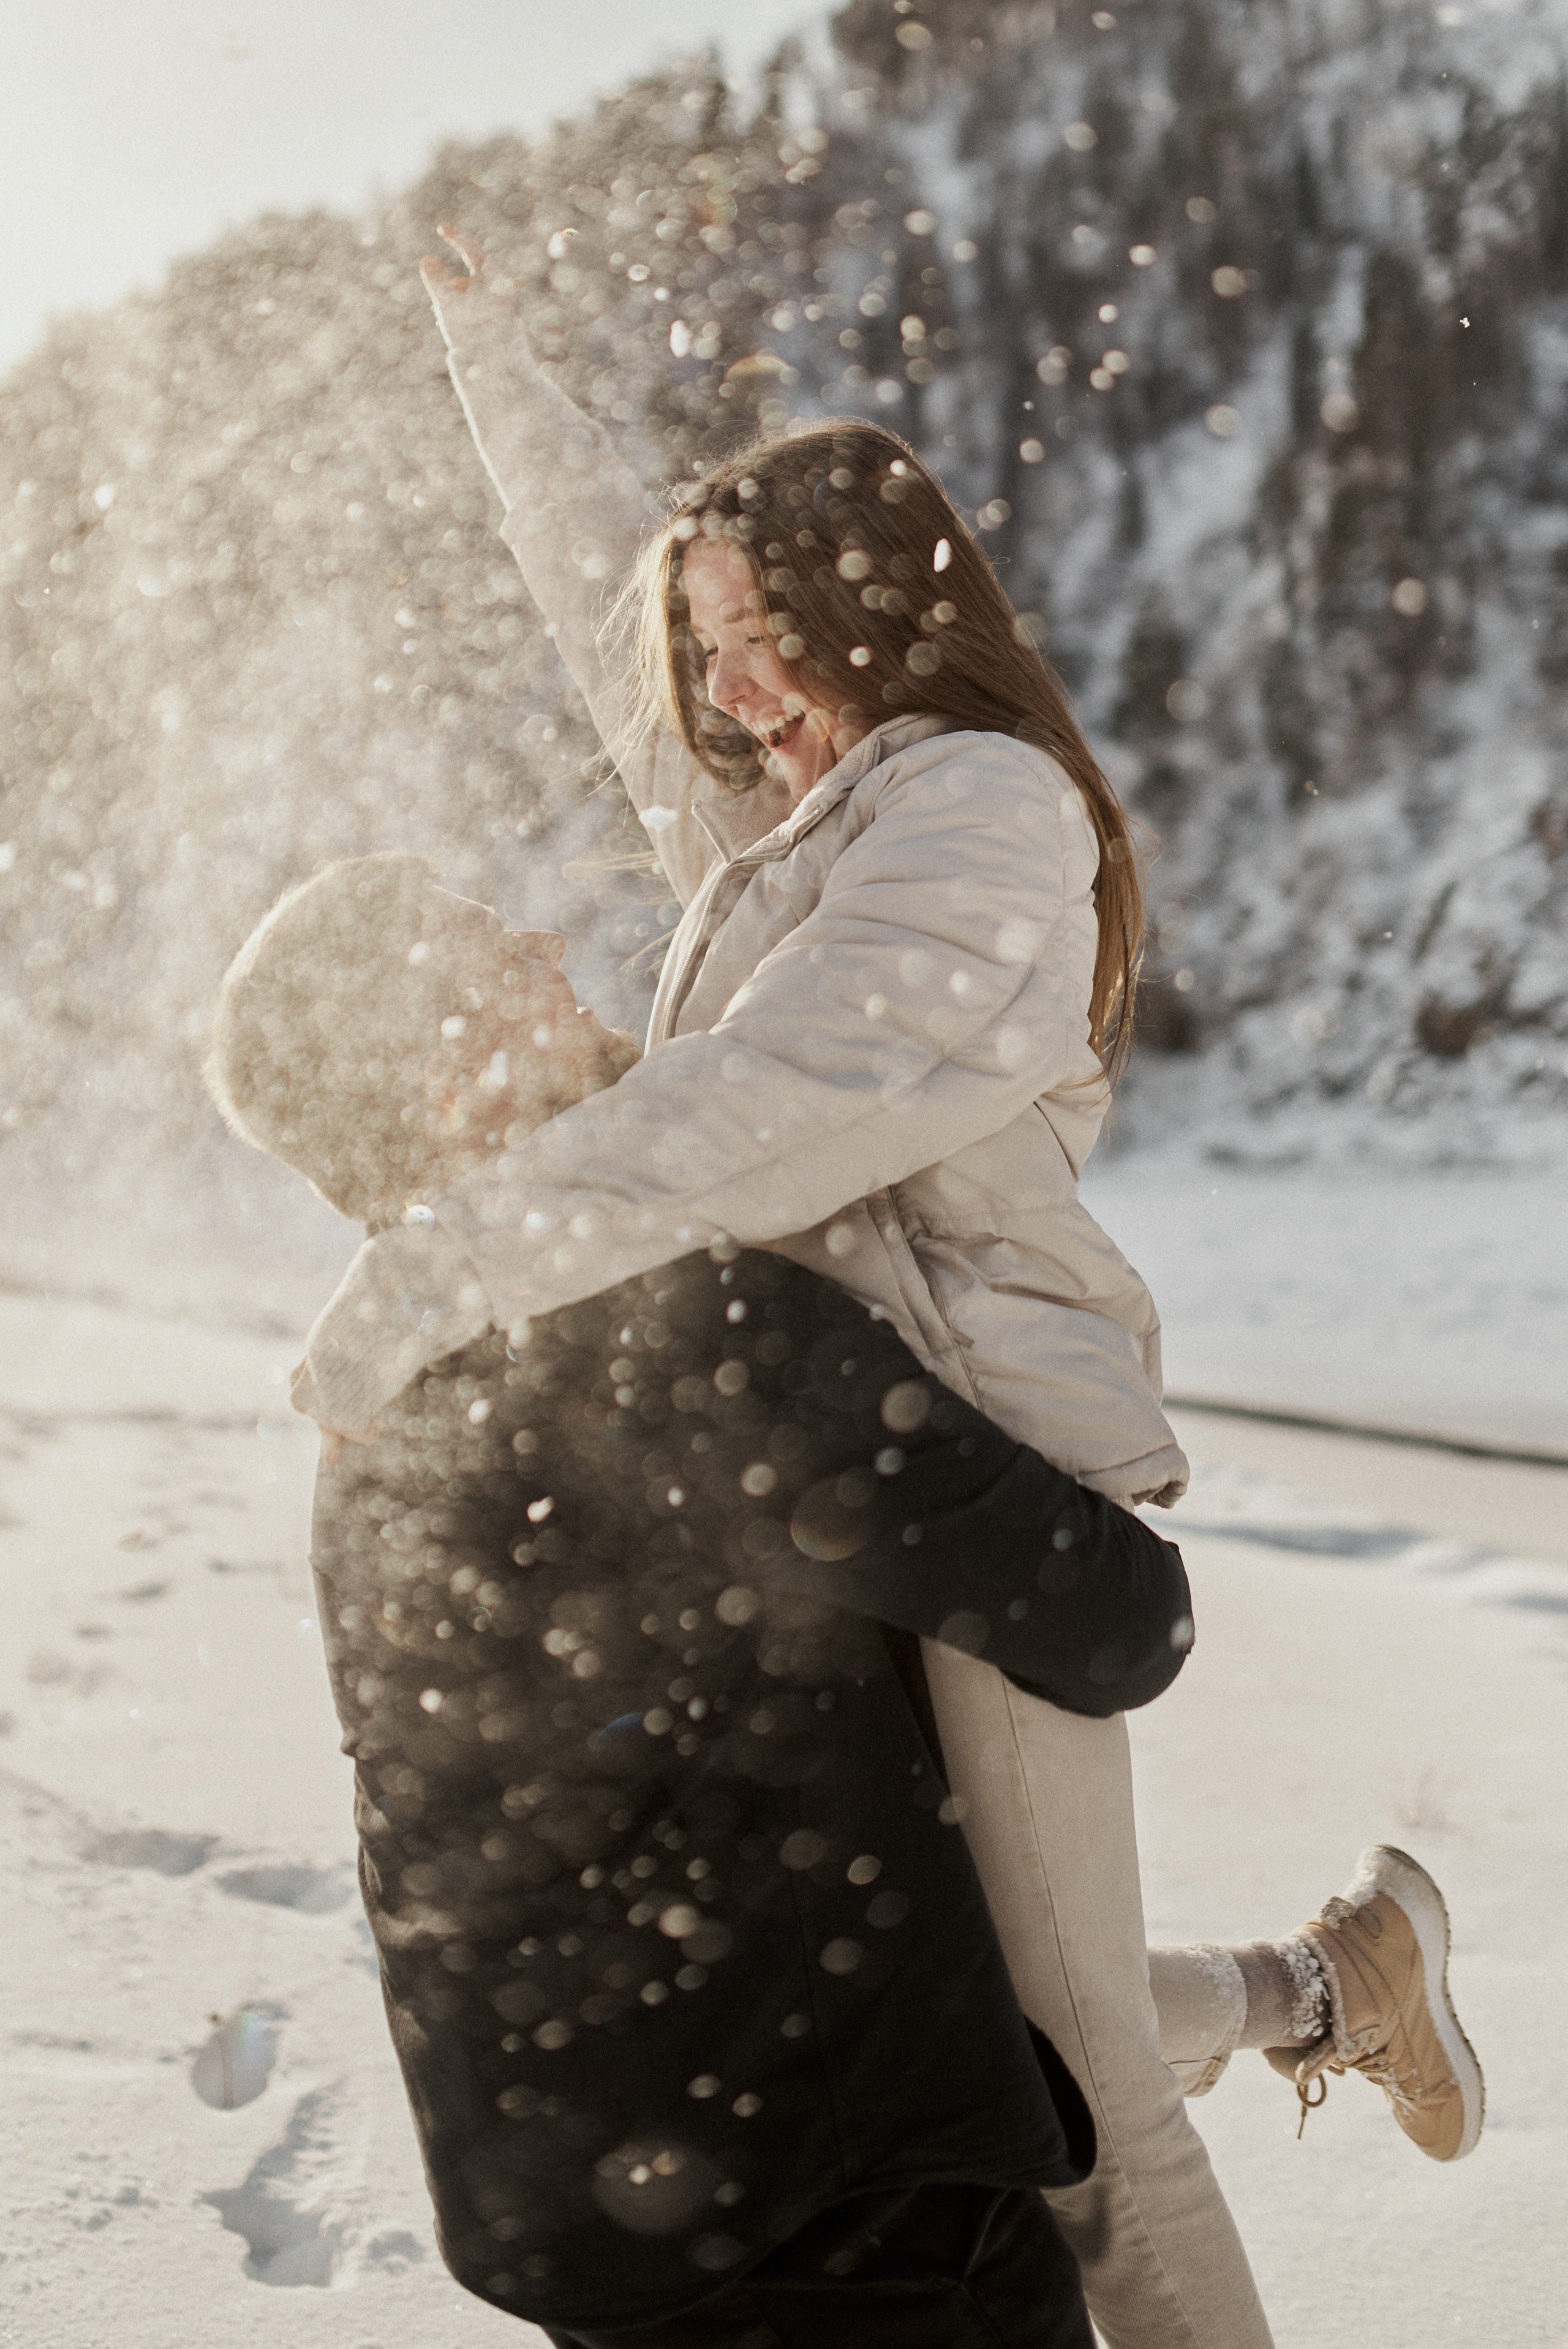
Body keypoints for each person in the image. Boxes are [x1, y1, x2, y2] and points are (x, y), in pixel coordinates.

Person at [285, 232, 1485, 2349]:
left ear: (885, 605)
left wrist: (436, 1274)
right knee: (992, 1995)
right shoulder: (793, 832)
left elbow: (763, 1104)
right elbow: (603, 625)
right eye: (713, 649)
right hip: (851, 1478)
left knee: (1086, 2102)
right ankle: (1335, 1985)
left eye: (770, 635)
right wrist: (492, 364)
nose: (736, 689)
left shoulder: (981, 817)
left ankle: (1329, 1996)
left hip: (978, 1482)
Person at [208, 849, 1214, 2345]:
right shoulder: (676, 1335)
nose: (550, 950)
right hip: (845, 2222)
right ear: (446, 1079)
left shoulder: (381, 1414)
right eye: (496, 955)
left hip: (595, 2222)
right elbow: (1119, 1623)